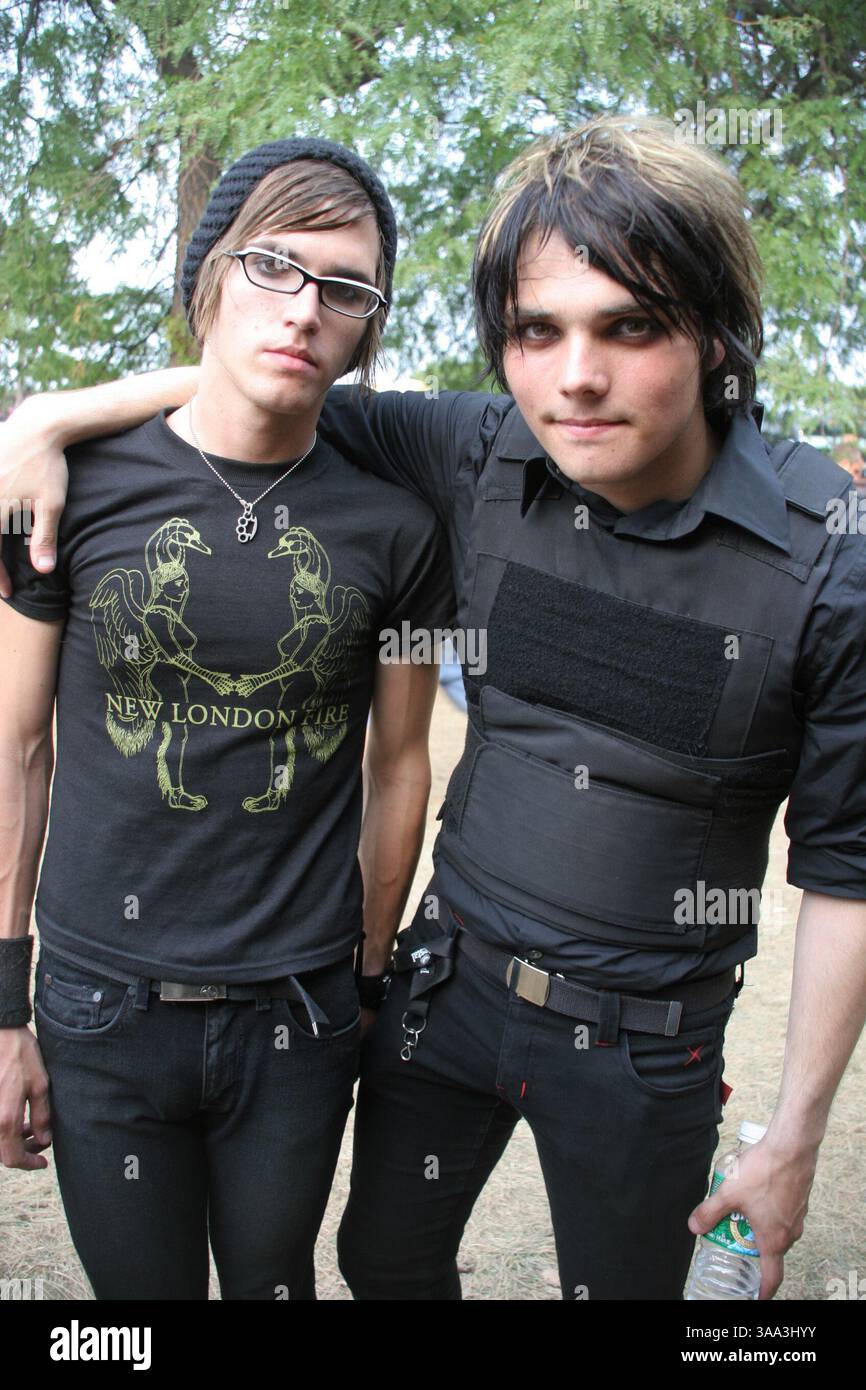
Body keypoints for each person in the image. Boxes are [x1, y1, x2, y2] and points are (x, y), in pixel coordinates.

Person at [3, 115, 866, 1301]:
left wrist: (791, 1137)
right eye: (535, 331)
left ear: (715, 331)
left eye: (630, 325)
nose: (575, 375)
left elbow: (844, 873)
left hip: (645, 1039)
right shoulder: (476, 451)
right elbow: (269, 380)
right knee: (380, 1259)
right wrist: (44, 417)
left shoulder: (826, 559)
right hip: (441, 998)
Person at [0, 137, 453, 1300]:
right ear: (207, 279)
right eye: (272, 266)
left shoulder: (398, 531)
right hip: (102, 1005)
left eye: (344, 288)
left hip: (297, 1009)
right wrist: (4, 1010)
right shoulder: (67, 488)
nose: (305, 308)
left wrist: (358, 979)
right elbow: (15, 746)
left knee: (276, 1287)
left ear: (366, 326)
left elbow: (399, 766)